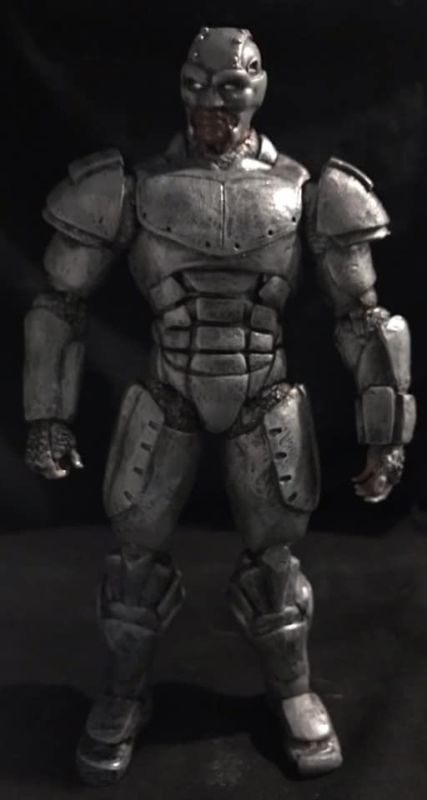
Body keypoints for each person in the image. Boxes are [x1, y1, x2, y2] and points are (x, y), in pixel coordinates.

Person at [23, 26, 415, 785]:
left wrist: (386, 434)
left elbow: (364, 319)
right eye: (196, 85)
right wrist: (47, 415)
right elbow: (60, 304)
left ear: (258, 89)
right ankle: (123, 694)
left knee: (275, 562)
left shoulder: (308, 191)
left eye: (230, 87)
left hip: (262, 391)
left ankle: (293, 691)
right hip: (168, 387)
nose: (212, 103)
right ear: (180, 87)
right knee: (134, 559)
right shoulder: (132, 187)